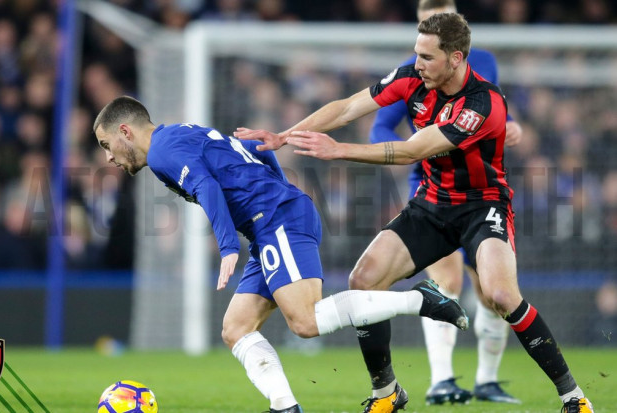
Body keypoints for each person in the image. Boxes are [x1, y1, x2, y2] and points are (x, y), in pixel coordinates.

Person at [234, 12, 594, 413]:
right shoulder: (412, 77)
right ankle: (386, 392)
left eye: (427, 57)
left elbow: (411, 151)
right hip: (432, 203)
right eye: (416, 53)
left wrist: (339, 150)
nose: (417, 63)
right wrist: (285, 136)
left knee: (501, 295)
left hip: (483, 207)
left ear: (455, 58)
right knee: (363, 281)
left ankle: (574, 397)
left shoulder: (483, 103)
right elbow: (348, 107)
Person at [93, 96, 469, 413]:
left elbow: (206, 186)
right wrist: (278, 191)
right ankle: (285, 406)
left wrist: (228, 246)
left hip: (276, 219)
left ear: (125, 131)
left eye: (107, 144)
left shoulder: (161, 152)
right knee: (236, 327)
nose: (108, 157)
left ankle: (419, 299)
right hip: (270, 223)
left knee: (305, 322)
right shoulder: (179, 134)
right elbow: (253, 148)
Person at [367, 0, 522, 405]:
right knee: (447, 281)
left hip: (480, 188)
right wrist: (411, 150)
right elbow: (380, 126)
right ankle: (441, 380)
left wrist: (511, 126)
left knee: (491, 292)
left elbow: (491, 106)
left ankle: (487, 380)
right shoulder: (413, 72)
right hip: (433, 186)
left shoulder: (482, 62)